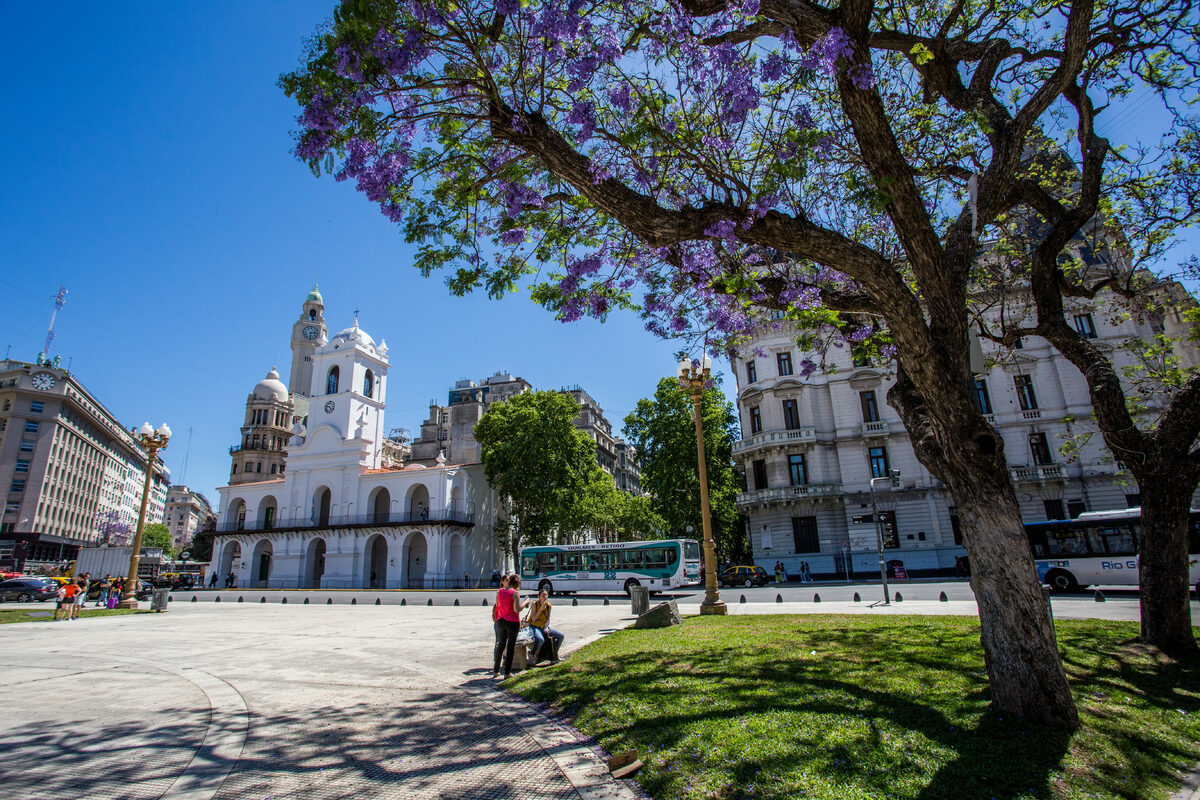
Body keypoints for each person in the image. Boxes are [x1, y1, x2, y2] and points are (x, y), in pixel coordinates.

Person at [493, 574, 528, 679]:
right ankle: (507, 672)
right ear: (516, 584)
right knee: (510, 647)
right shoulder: (515, 593)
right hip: (512, 622)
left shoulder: (499, 591)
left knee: (501, 645)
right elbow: (517, 609)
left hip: (500, 620)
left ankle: (496, 670)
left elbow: (498, 605)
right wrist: (526, 602)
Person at [524, 588, 564, 665]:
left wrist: (546, 627)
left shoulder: (548, 606)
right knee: (540, 640)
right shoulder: (535, 604)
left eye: (546, 595)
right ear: (539, 596)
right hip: (534, 626)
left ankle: (554, 654)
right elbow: (533, 619)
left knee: (560, 636)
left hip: (543, 627)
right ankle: (532, 654)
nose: (545, 597)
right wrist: (540, 610)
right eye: (543, 595)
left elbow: (548, 620)